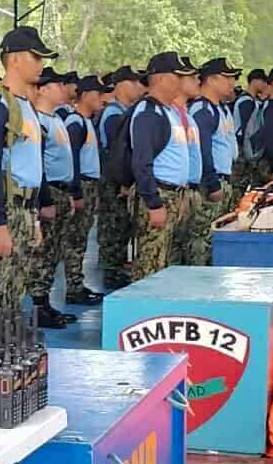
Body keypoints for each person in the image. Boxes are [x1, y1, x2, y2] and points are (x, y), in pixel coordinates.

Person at [0, 26, 59, 326]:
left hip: (24, 210)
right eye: (35, 57)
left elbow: (31, 164)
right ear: (13, 60)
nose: (41, 64)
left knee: (14, 289)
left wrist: (34, 215)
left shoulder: (25, 107)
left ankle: (5, 344)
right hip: (8, 209)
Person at [126, 51, 199, 282]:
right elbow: (142, 161)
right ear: (160, 78)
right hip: (159, 193)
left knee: (164, 260)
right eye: (177, 76)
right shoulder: (149, 112)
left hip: (173, 195)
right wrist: (153, 203)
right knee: (150, 264)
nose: (181, 81)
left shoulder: (169, 112)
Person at [28, 68, 81, 319]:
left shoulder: (57, 118)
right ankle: (39, 304)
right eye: (57, 84)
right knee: (44, 251)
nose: (63, 88)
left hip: (62, 190)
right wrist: (45, 200)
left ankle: (46, 302)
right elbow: (38, 164)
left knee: (55, 250)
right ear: (42, 89)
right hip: (50, 191)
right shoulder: (39, 121)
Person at [185, 58, 241, 265]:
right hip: (211, 183)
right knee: (202, 239)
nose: (232, 83)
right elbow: (202, 151)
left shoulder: (219, 108)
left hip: (223, 179)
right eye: (227, 78)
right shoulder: (202, 110)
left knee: (215, 238)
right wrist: (212, 183)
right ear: (211, 80)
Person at [95, 66, 142, 290]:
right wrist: (123, 181)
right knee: (113, 226)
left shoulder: (124, 111)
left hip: (120, 178)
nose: (139, 87)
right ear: (122, 84)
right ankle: (111, 271)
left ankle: (116, 267)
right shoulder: (114, 113)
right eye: (135, 82)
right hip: (114, 180)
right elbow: (118, 151)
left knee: (122, 226)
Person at [65, 73, 105, 304]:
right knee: (76, 238)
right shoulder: (75, 122)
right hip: (82, 184)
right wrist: (76, 192)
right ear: (87, 95)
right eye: (98, 94)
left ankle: (77, 283)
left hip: (90, 184)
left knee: (81, 236)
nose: (102, 99)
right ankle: (73, 286)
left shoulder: (86, 121)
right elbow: (72, 159)